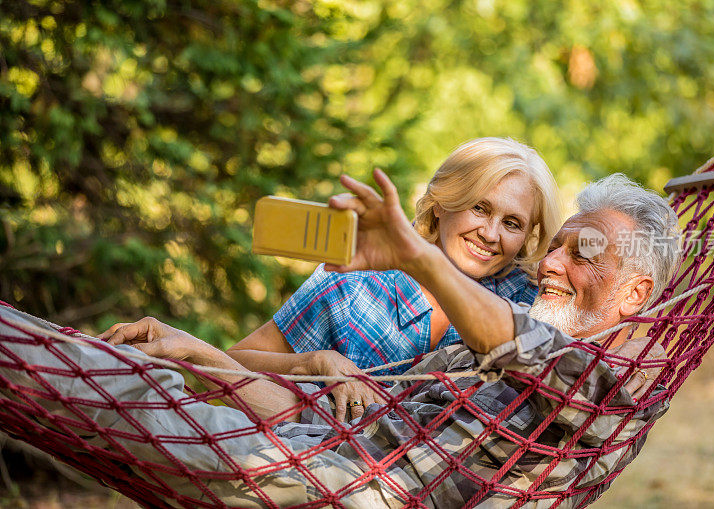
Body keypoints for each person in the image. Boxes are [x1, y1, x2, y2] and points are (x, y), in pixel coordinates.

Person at [0, 172, 679, 508]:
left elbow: (522, 342)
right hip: (312, 460)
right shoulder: (488, 353)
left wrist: (418, 257)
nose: (551, 265)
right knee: (123, 374)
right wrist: (198, 350)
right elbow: (325, 418)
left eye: (583, 253)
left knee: (101, 384)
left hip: (333, 490)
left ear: (634, 295)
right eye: (553, 248)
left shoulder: (615, 392)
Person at [227, 137, 561, 420]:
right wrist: (315, 362)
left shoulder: (525, 299)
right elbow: (231, 365)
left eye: (512, 223)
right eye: (479, 208)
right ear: (442, 203)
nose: (490, 234)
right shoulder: (354, 284)